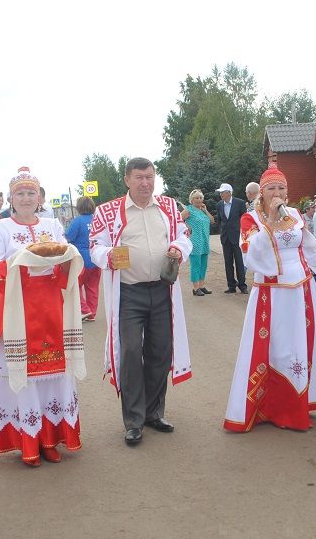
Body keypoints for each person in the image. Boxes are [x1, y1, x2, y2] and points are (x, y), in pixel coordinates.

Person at [224, 164, 316, 432]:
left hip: (301, 292)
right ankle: (272, 406)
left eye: (282, 188)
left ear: (287, 192)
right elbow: (251, 257)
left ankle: (300, 402)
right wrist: (271, 223)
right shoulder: (250, 220)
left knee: (301, 345)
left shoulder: (296, 215)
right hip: (271, 296)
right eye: (271, 188)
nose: (277, 193)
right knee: (276, 348)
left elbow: (311, 251)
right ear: (261, 193)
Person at [0, 167, 84, 465]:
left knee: (54, 374)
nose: (26, 198)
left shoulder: (53, 224)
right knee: (22, 374)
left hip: (52, 306)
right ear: (10, 198)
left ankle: (50, 438)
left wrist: (67, 259)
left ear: (39, 197)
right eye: (20, 193)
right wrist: (23, 258)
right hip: (17, 307)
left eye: (31, 193)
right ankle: (29, 438)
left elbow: (64, 259)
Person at [89, 157, 192, 446]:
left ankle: (153, 412)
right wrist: (108, 256)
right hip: (128, 292)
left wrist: (178, 248)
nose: (145, 182)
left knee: (161, 351)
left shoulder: (169, 207)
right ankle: (133, 421)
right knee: (132, 352)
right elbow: (95, 246)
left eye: (149, 176)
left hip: (162, 289)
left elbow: (185, 237)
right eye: (139, 177)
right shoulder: (107, 211)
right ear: (127, 179)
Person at [66, 195, 102, 320]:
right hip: (96, 258)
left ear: (79, 207)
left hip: (81, 259)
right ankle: (92, 313)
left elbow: (69, 237)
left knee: (75, 286)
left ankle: (84, 309)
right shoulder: (97, 220)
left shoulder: (77, 221)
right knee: (93, 288)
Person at [181, 189, 215, 296]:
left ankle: (201, 286)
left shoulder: (202, 210)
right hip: (195, 241)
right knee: (196, 265)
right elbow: (177, 219)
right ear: (192, 200)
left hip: (205, 241)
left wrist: (205, 210)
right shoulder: (189, 210)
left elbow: (212, 220)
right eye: (196, 198)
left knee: (203, 265)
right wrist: (186, 226)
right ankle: (195, 288)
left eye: (200, 197)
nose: (199, 200)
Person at [215, 183, 248, 294]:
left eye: (222, 192)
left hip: (237, 237)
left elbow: (245, 220)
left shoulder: (240, 203)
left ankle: (242, 285)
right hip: (225, 238)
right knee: (228, 263)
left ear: (229, 192)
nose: (220, 194)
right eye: (220, 192)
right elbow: (220, 221)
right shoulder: (219, 205)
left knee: (239, 262)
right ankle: (231, 286)